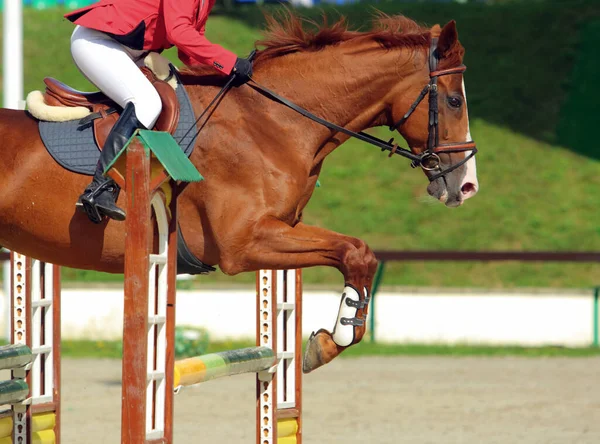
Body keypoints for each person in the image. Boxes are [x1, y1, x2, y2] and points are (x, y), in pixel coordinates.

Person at [65, 0, 253, 224]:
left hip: (130, 50)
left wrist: (224, 71)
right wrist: (229, 61)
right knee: (146, 102)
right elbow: (179, 32)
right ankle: (99, 188)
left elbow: (190, 48)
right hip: (97, 42)